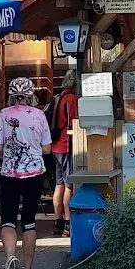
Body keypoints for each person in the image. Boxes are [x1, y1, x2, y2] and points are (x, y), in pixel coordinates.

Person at [0, 77, 52, 269]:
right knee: (28, 221)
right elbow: (47, 148)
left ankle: (10, 257)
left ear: (11, 96)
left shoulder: (3, 115)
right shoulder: (39, 115)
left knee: (8, 220)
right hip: (34, 174)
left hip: (9, 173)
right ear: (31, 95)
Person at [50, 71, 79, 237]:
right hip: (66, 144)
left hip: (55, 146)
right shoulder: (71, 99)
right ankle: (68, 224)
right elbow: (74, 122)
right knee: (69, 185)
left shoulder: (57, 97)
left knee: (59, 185)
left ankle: (57, 223)